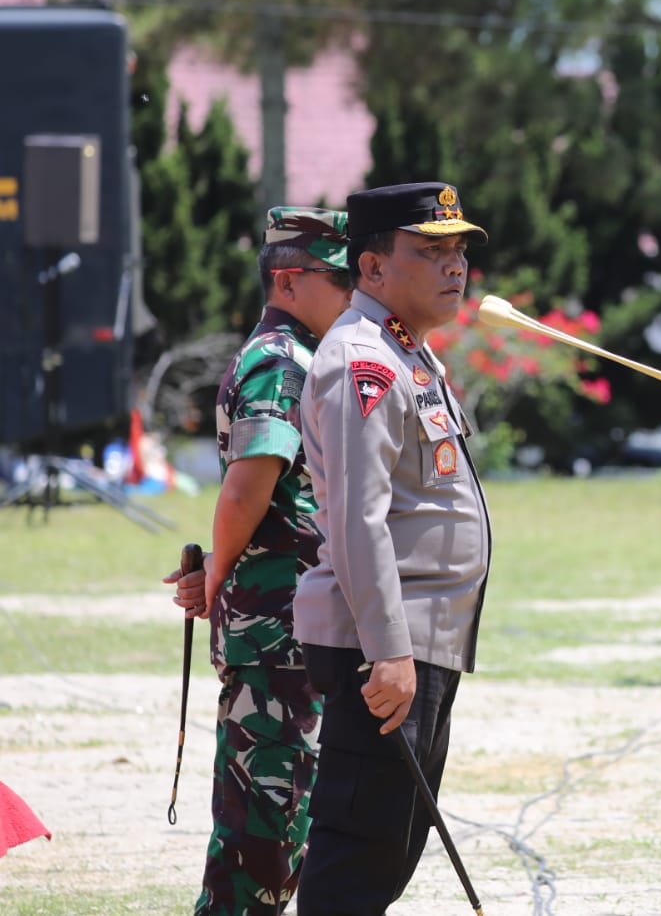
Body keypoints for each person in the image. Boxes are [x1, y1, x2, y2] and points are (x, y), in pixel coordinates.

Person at [292, 182, 493, 914]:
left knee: (386, 851)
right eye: (430, 251)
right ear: (372, 269)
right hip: (384, 646)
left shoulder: (403, 351)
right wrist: (390, 650)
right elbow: (356, 519)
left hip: (414, 640)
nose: (454, 267)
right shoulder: (362, 362)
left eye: (459, 250)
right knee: (359, 857)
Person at [164, 208, 351, 916]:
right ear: (290, 278)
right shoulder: (279, 359)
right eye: (339, 277)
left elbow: (272, 505)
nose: (352, 293)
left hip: (290, 621)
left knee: (282, 820)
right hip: (277, 632)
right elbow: (250, 483)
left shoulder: (300, 354)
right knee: (263, 838)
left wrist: (221, 560)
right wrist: (218, 574)